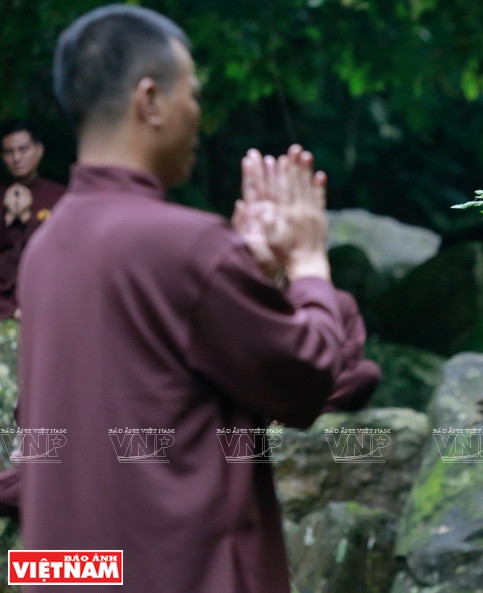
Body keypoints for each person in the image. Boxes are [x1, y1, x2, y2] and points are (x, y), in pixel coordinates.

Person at [13, 5, 349, 592]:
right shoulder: (184, 246)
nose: (200, 115)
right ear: (151, 101)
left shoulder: (46, 247)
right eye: (193, 95)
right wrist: (308, 264)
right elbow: (307, 380)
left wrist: (243, 273)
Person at [0, 121, 66, 319]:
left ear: (39, 150)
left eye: (23, 150)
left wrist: (27, 220)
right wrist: (8, 219)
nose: (16, 158)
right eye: (9, 152)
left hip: (45, 300)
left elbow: (64, 251)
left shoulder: (59, 197)